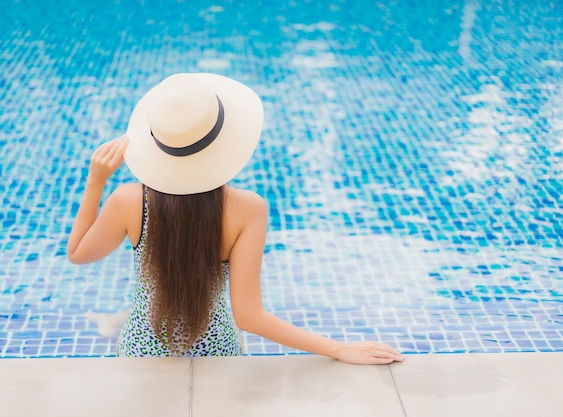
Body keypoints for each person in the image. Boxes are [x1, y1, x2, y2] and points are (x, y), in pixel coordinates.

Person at [67, 73, 405, 364]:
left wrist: (96, 182)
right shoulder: (248, 209)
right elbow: (249, 316)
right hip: (217, 352)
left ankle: (113, 322)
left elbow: (78, 254)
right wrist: (338, 349)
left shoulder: (128, 200)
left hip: (143, 352)